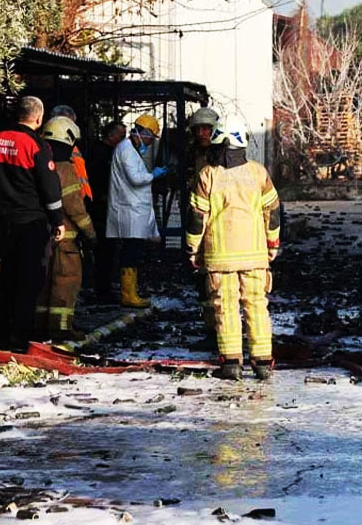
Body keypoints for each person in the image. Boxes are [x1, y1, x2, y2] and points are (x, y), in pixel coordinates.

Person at [186, 118, 281, 381]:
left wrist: (192, 248)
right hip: (254, 254)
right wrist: (272, 244)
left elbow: (196, 217)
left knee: (225, 307)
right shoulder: (258, 173)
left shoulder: (208, 174)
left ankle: (231, 363)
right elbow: (272, 213)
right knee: (257, 306)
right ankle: (262, 361)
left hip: (220, 257)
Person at [0, 96, 64, 352]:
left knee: (6, 278)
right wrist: (58, 222)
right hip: (31, 223)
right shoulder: (36, 145)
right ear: (39, 119)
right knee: (28, 281)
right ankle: (19, 339)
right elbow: (49, 188)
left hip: (2, 221)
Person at [33, 116, 96, 340]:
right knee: (65, 283)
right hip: (66, 241)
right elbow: (75, 208)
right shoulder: (66, 169)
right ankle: (61, 328)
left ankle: (40, 325)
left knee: (44, 283)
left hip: (43, 237)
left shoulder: (39, 164)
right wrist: (90, 233)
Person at [107, 114, 168, 308]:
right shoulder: (126, 150)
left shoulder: (129, 150)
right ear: (143, 134)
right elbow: (135, 178)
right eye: (150, 138)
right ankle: (128, 295)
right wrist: (153, 175)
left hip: (132, 210)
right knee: (131, 252)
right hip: (129, 211)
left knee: (133, 252)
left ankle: (131, 292)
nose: (150, 143)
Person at [186, 107, 219, 347]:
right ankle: (211, 328)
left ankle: (219, 330)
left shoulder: (222, 155)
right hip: (199, 220)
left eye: (207, 129)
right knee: (201, 279)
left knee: (217, 281)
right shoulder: (193, 154)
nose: (203, 133)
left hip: (218, 224)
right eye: (199, 129)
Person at [85, 121, 127, 302]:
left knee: (107, 251)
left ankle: (103, 287)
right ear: (110, 136)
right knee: (105, 250)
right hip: (101, 209)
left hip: (106, 207)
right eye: (121, 135)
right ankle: (102, 290)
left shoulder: (107, 152)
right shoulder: (101, 153)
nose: (123, 140)